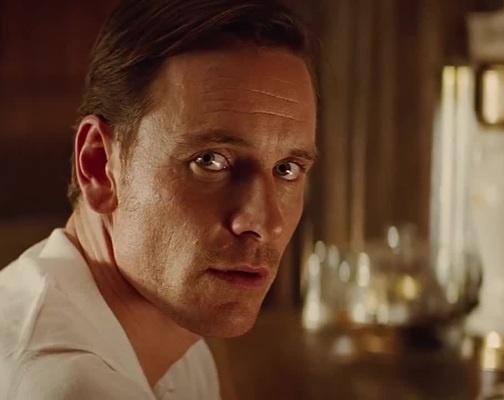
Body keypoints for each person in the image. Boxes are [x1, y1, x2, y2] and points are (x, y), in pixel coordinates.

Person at [0, 0, 318, 398]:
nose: (264, 221)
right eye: (210, 161)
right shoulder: (72, 386)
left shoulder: (177, 336)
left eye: (287, 168)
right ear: (99, 166)